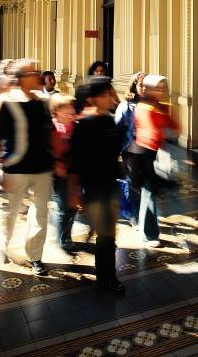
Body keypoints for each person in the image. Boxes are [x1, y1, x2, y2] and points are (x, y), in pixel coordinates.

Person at [0, 59, 53, 275]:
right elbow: (1, 138)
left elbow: (48, 133)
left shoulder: (42, 102)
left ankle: (35, 256)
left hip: (42, 167)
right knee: (11, 213)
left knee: (40, 215)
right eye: (32, 72)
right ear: (21, 79)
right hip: (16, 167)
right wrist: (1, 169)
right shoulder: (8, 104)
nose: (37, 75)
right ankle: (4, 245)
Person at [69, 77, 124, 292]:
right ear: (93, 98)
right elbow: (75, 162)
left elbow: (115, 152)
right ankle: (107, 276)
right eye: (106, 94)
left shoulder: (110, 121)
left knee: (107, 232)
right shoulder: (84, 125)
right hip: (94, 187)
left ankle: (106, 274)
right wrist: (74, 192)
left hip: (110, 184)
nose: (110, 97)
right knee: (107, 234)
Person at [133, 74, 178, 248]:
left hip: (159, 153)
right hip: (147, 154)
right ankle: (148, 234)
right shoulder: (144, 106)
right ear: (149, 89)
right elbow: (152, 131)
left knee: (152, 193)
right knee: (149, 194)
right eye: (158, 88)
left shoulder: (161, 106)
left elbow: (174, 127)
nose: (161, 91)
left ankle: (149, 230)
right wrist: (164, 130)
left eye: (163, 88)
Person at [114, 72, 146, 226]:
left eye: (147, 85)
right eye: (141, 85)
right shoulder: (126, 106)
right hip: (131, 151)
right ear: (134, 86)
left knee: (144, 185)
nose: (145, 88)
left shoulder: (149, 105)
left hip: (148, 151)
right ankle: (133, 215)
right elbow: (118, 129)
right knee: (132, 185)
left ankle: (143, 214)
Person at [50, 93, 77, 253]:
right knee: (63, 207)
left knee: (72, 207)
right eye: (67, 108)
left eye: (72, 108)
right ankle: (63, 238)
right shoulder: (53, 127)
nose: (71, 111)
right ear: (57, 111)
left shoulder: (75, 126)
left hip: (73, 172)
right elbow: (49, 151)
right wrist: (57, 164)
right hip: (59, 174)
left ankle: (66, 235)